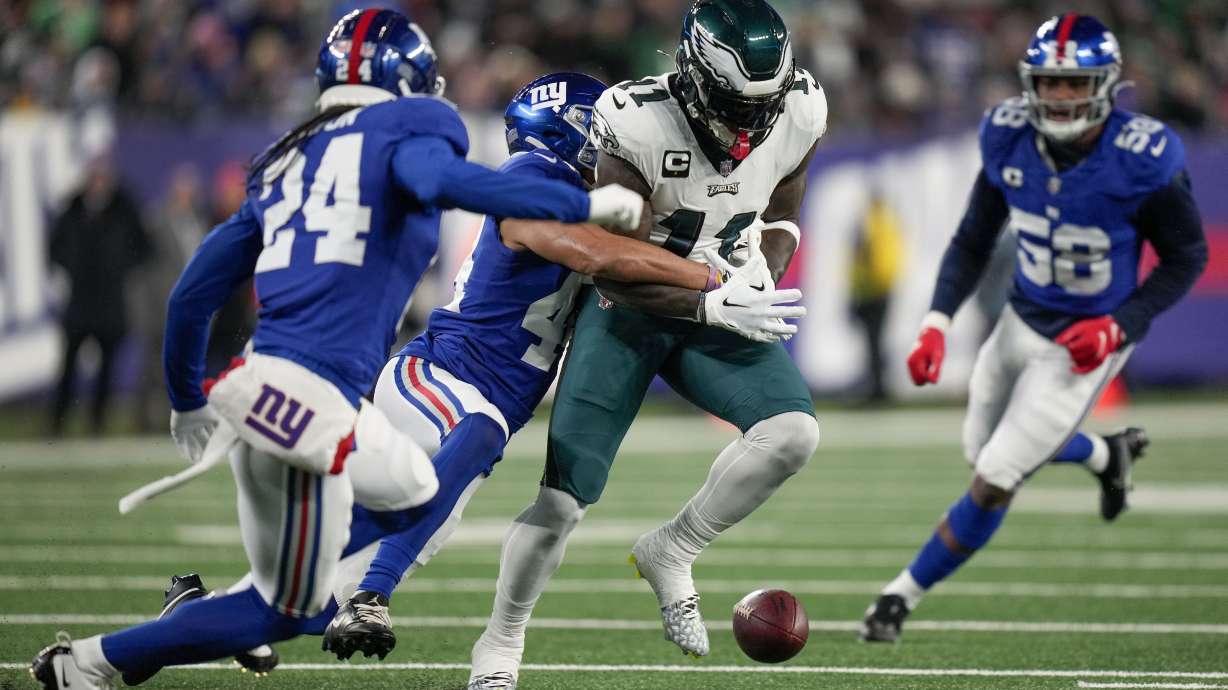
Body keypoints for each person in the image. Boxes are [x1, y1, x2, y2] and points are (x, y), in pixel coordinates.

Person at [29, 9, 648, 689]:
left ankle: (107, 655)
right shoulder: (420, 134)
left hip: (266, 387)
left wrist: (185, 400)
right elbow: (445, 182)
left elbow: (191, 295)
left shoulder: (287, 160)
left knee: (293, 602)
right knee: (453, 454)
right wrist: (588, 211)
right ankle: (365, 596)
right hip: (321, 398)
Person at [153, 70, 799, 676]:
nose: (611, 148)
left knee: (325, 585)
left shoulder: (594, 196)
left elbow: (639, 253)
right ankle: (376, 595)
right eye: (596, 131)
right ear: (566, 130)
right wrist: (709, 281)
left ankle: (197, 617)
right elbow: (592, 254)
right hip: (441, 377)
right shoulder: (529, 177)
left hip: (475, 402)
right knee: (461, 459)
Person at [469, 1, 828, 686]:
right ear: (694, 78)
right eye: (737, 106)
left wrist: (763, 270)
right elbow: (614, 264)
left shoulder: (802, 107)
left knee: (793, 434)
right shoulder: (635, 121)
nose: (751, 125)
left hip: (719, 299)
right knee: (563, 500)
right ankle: (501, 641)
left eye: (765, 106)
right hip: (628, 309)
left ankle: (674, 548)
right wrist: (710, 298)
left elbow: (784, 207)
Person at [859, 13, 1208, 643]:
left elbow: (1187, 257)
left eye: (1075, 83)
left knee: (994, 477)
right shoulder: (1008, 134)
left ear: (1105, 85)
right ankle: (1106, 453)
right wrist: (936, 323)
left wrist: (1119, 326)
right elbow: (973, 238)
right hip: (1021, 317)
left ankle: (897, 598)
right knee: (981, 450)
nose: (1061, 95)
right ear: (1031, 83)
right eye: (1050, 82)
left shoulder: (1143, 157)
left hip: (1085, 343)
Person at [48, 154, 151, 435]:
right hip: (80, 298)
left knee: (107, 364)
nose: (99, 182)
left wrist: (121, 268)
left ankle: (97, 421)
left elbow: (143, 247)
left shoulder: (124, 208)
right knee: (69, 362)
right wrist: (72, 267)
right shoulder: (73, 208)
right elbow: (55, 246)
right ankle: (57, 421)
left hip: (110, 299)